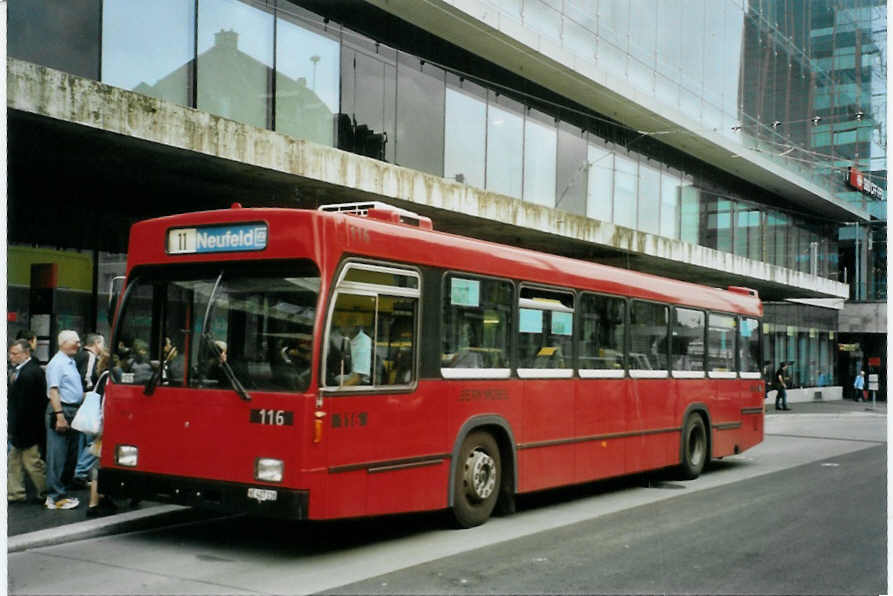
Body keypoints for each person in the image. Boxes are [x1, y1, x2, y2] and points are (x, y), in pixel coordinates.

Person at [44, 330, 85, 509]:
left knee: (69, 455)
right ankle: (55, 497)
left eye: (78, 341)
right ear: (62, 343)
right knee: (57, 456)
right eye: (74, 341)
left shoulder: (70, 362)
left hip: (72, 410)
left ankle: (62, 494)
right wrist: (59, 416)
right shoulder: (57, 363)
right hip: (61, 410)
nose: (78, 344)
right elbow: (54, 391)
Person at [8, 339, 48, 504]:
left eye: (15, 354)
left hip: (26, 428)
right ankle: (15, 493)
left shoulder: (28, 374)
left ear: (26, 354)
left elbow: (24, 406)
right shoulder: (27, 370)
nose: (11, 357)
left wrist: (12, 428)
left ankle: (44, 491)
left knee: (32, 463)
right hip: (26, 427)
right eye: (10, 353)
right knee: (14, 461)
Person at [72, 333, 106, 488]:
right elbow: (87, 379)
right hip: (87, 400)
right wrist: (86, 392)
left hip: (81, 404)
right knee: (91, 441)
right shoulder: (90, 356)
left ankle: (79, 472)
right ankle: (80, 472)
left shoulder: (77, 356)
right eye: (102, 343)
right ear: (96, 343)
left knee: (82, 440)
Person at [85, 353, 117, 517]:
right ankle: (93, 503)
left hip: (102, 425)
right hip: (107, 426)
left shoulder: (103, 376)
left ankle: (102, 498)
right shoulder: (111, 376)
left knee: (102, 462)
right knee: (100, 463)